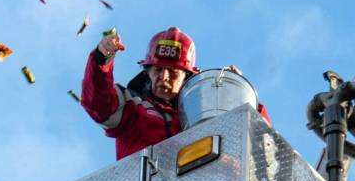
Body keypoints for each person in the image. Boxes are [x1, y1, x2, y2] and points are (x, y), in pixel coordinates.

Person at [81, 26, 271, 160]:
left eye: (172, 72)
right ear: (147, 72)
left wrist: (239, 96)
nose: (163, 77)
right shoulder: (131, 107)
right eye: (158, 70)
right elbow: (98, 102)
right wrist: (101, 60)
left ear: (187, 77)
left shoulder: (204, 115)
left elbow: (258, 142)